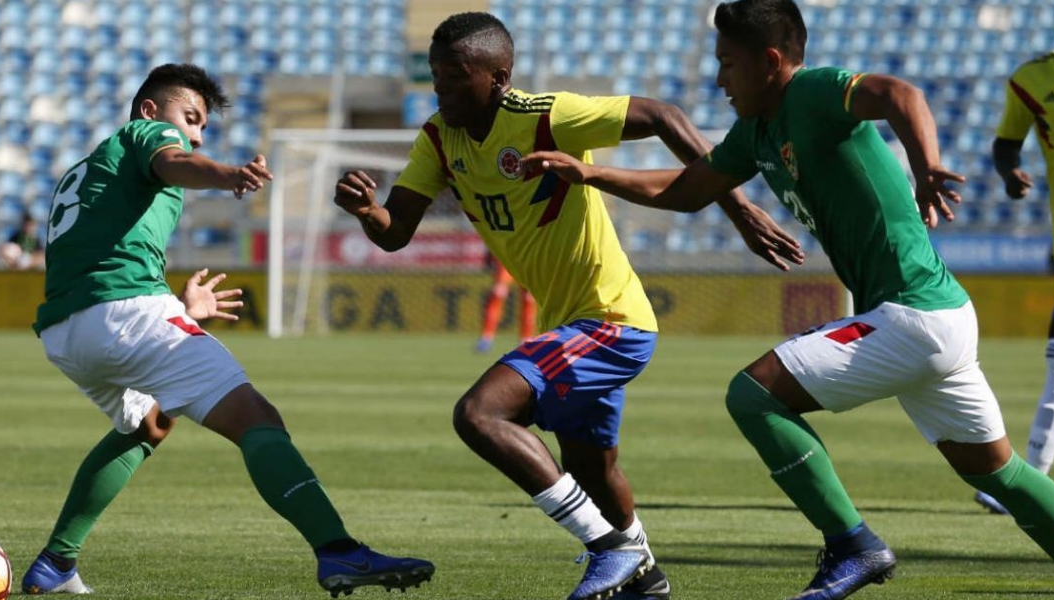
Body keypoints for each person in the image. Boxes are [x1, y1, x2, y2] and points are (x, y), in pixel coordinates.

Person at [525, 1, 1054, 598]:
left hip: (911, 314)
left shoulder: (812, 93)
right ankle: (856, 544)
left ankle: (851, 545)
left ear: (771, 61)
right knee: (1002, 473)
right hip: (937, 319)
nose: (719, 80)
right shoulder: (757, 130)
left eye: (728, 65)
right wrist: (592, 174)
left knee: (752, 395)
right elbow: (687, 190)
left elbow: (899, 93)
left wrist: (927, 165)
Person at [334, 13, 800, 600]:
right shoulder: (438, 138)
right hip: (574, 325)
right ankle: (647, 578)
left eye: (455, 76)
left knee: (480, 415)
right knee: (591, 470)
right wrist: (365, 211)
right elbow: (395, 231)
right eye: (435, 76)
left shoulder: (546, 116)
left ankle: (610, 550)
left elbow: (663, 115)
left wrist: (737, 208)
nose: (441, 88)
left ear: (498, 77)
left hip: (610, 319)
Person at [21, 64, 434, 597]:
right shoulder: (144, 133)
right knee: (256, 416)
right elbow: (175, 160)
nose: (194, 132)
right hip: (124, 313)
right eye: (189, 118)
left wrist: (180, 310)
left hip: (66, 333)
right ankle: (339, 552)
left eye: (203, 128)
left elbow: (99, 264)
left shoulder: (89, 168)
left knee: (150, 423)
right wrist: (226, 175)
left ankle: (56, 563)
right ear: (150, 110)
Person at [979, 0, 1054, 516]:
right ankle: (1026, 483)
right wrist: (1010, 174)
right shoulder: (1032, 79)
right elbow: (1006, 143)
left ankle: (1025, 485)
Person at [475, 252, 536, 353]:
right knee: (498, 292)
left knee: (529, 298)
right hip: (507, 258)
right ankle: (486, 338)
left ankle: (525, 340)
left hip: (526, 260)